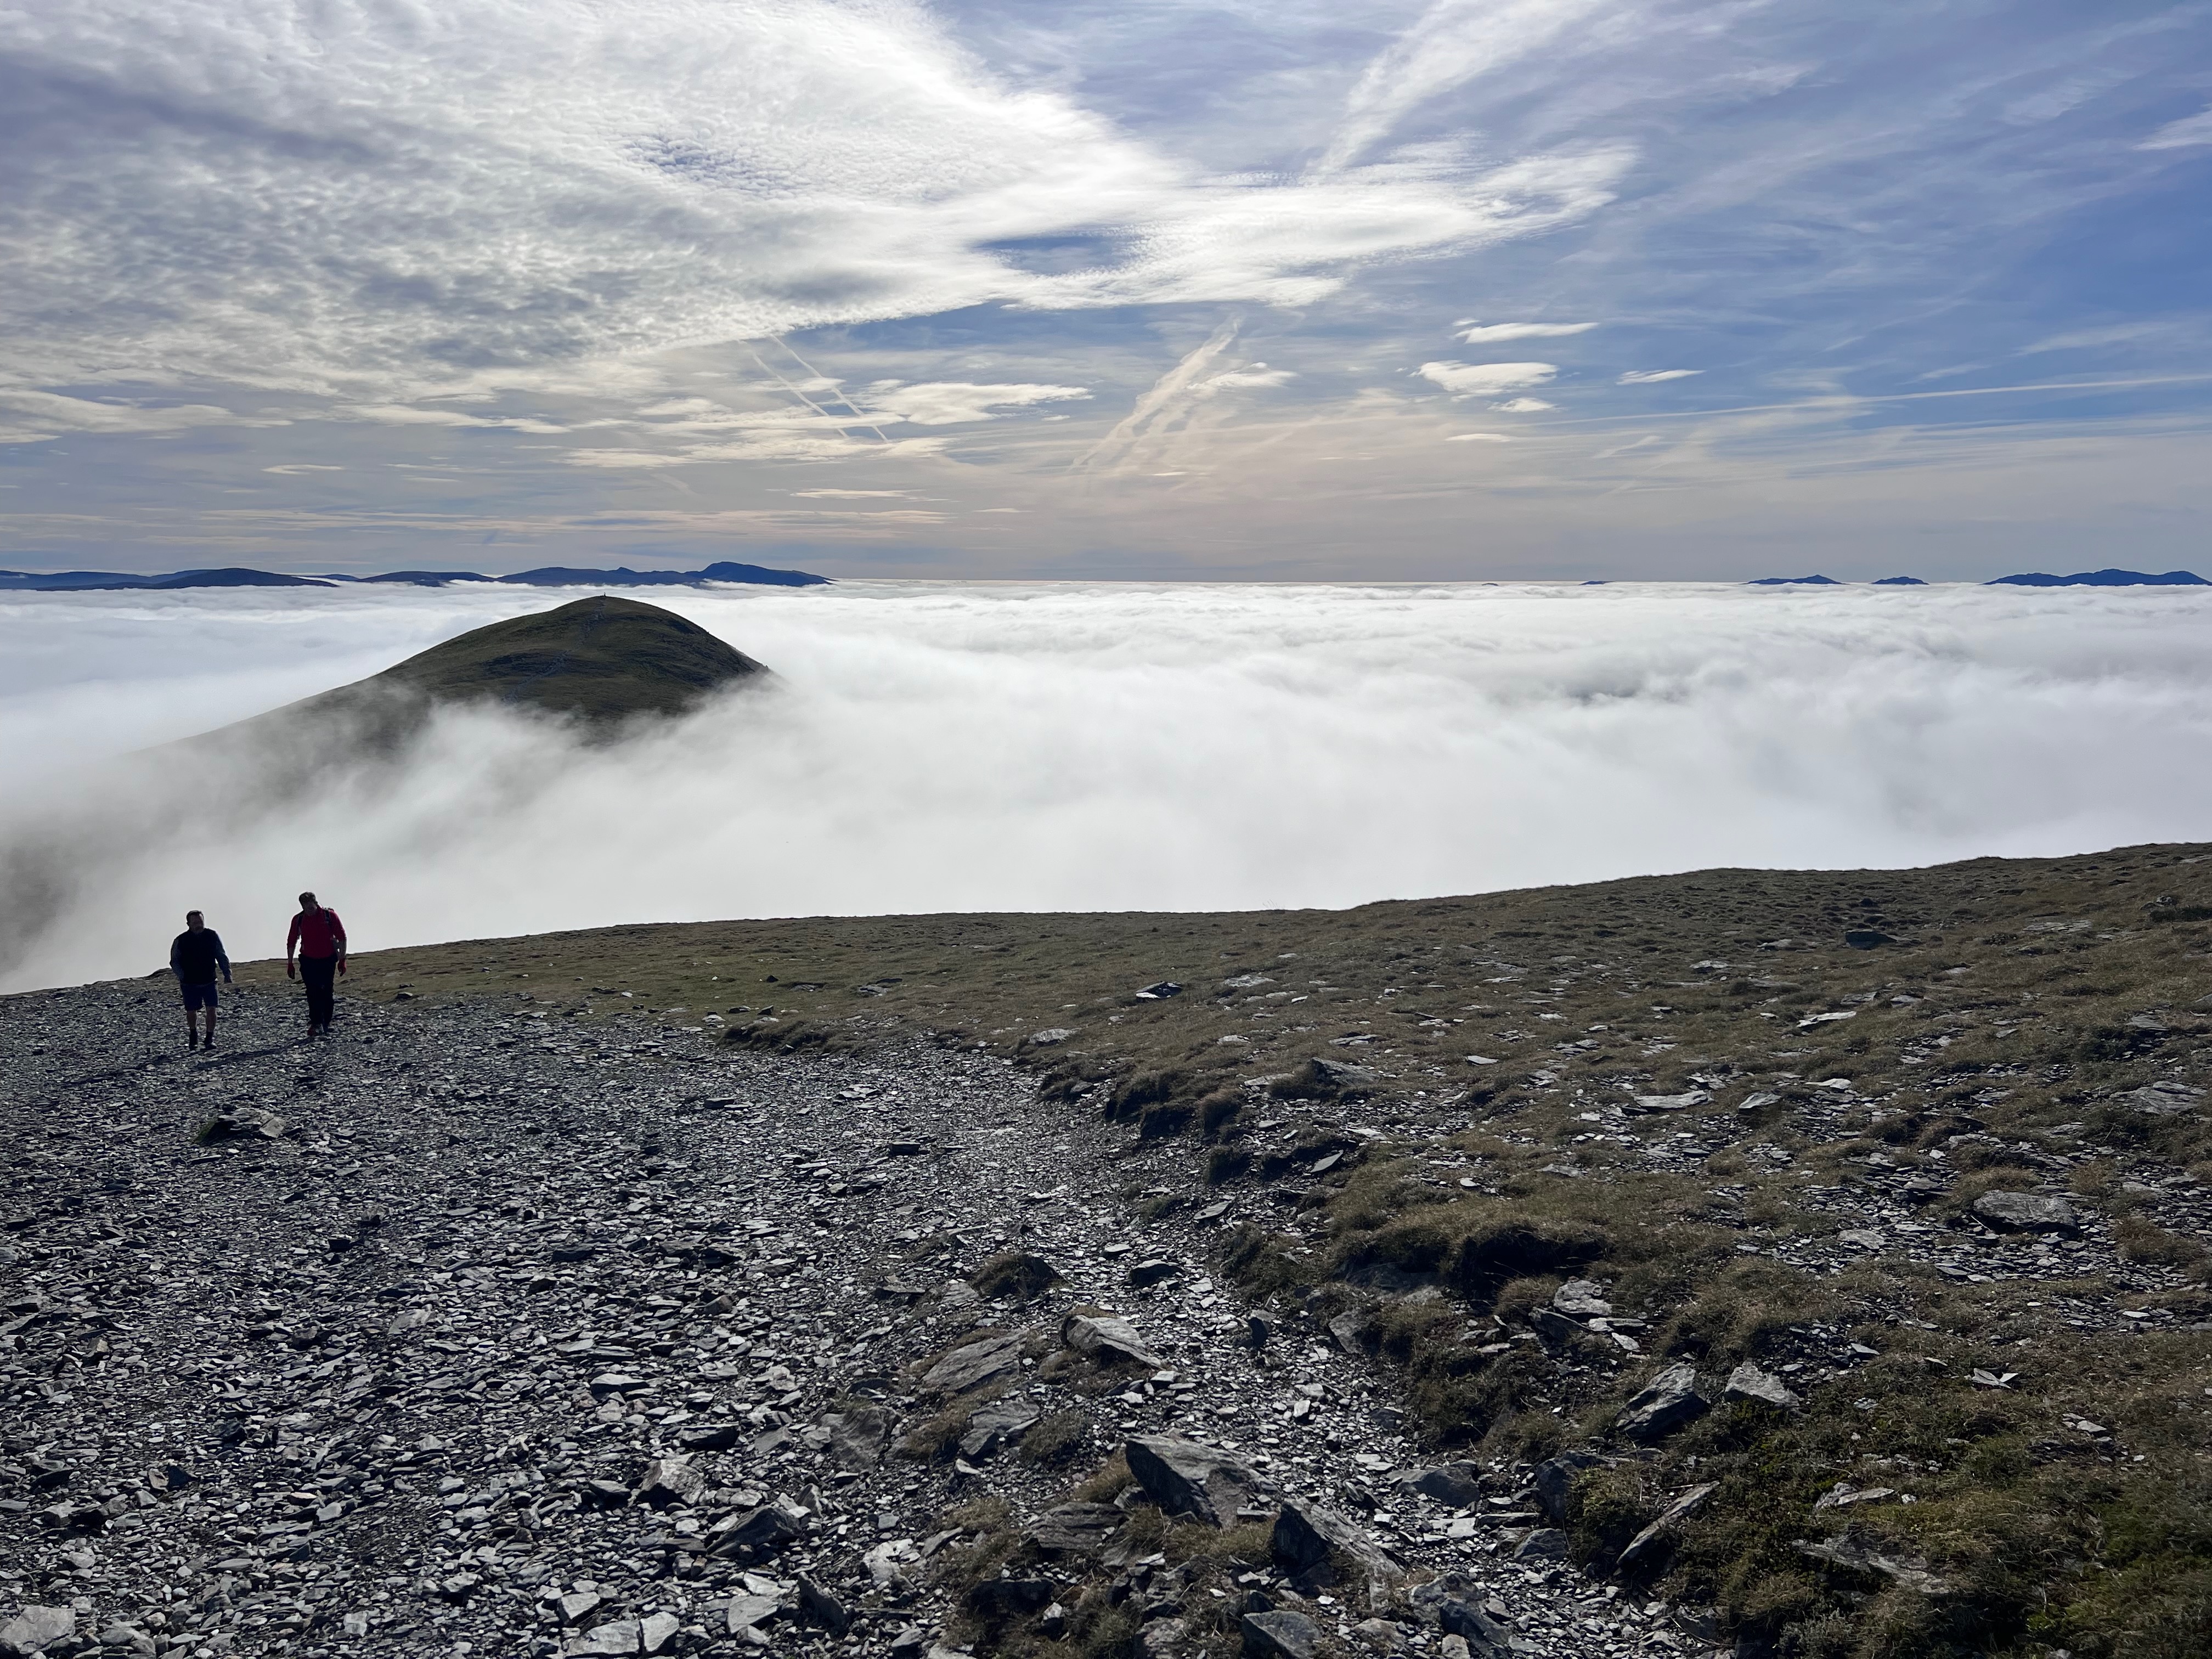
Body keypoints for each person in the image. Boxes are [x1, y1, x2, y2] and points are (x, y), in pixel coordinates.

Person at [286, 890, 348, 1037]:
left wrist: (342, 960)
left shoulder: (330, 916)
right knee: (312, 991)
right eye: (305, 907)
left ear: (316, 903)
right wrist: (290, 963)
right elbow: (291, 941)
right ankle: (316, 1023)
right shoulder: (299, 920)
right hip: (308, 960)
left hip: (328, 959)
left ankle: (326, 1021)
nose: (309, 911)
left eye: (311, 907)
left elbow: (342, 938)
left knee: (327, 991)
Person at [169, 909, 232, 1051]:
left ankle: (209, 1039)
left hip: (210, 980)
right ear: (188, 924)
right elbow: (174, 961)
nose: (199, 925)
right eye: (195, 923)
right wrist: (182, 976)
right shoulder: (181, 940)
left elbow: (221, 955)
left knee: (212, 1009)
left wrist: (227, 973)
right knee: (191, 1011)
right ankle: (193, 1036)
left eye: (200, 922)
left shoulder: (212, 936)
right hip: (189, 983)